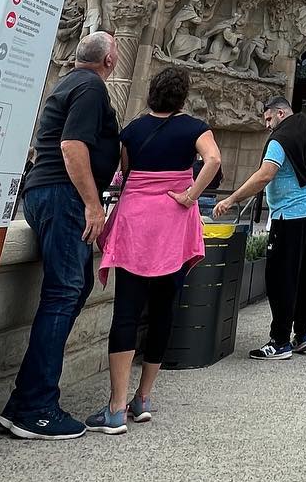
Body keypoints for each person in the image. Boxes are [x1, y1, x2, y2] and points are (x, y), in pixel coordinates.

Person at [0, 32, 120, 440]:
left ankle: (25, 400)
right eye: (116, 49)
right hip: (63, 195)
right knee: (64, 292)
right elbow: (71, 145)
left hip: (47, 193)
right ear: (108, 60)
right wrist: (92, 203)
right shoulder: (89, 87)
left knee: (74, 286)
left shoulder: (71, 83)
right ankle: (35, 407)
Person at [86, 65, 219, 431]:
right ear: (182, 97)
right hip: (173, 225)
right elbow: (215, 160)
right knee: (163, 311)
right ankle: (142, 398)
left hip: (136, 224)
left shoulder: (132, 130)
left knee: (126, 312)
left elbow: (126, 175)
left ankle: (116, 406)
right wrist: (191, 194)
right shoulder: (194, 128)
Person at [214, 95, 306, 359]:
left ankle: (279, 340)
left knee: (281, 278)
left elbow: (265, 175)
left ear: (280, 113)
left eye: (268, 118)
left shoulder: (280, 139)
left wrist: (232, 198)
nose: (267, 125)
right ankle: (303, 333)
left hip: (289, 216)